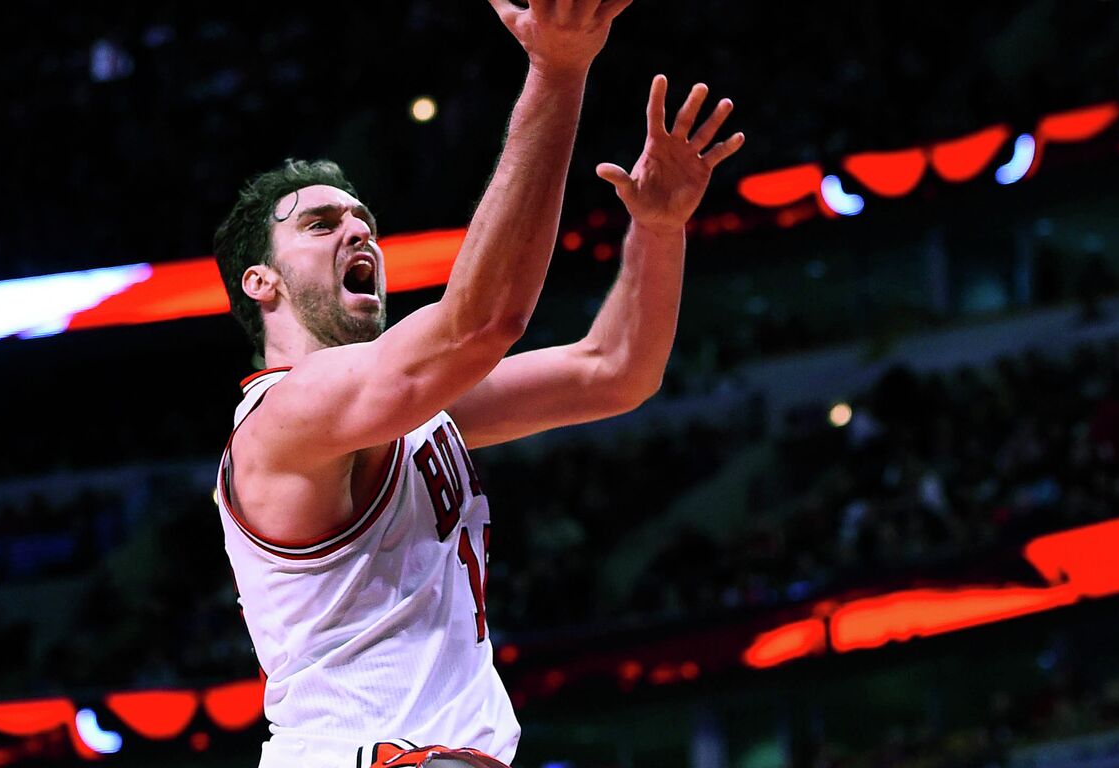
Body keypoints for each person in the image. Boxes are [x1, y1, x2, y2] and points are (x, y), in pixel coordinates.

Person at [207, 0, 745, 764]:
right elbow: (483, 319)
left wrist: (657, 230)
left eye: (363, 220)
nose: (359, 231)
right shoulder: (287, 415)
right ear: (261, 282)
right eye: (322, 225)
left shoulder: (410, 406)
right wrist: (558, 71)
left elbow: (614, 371)